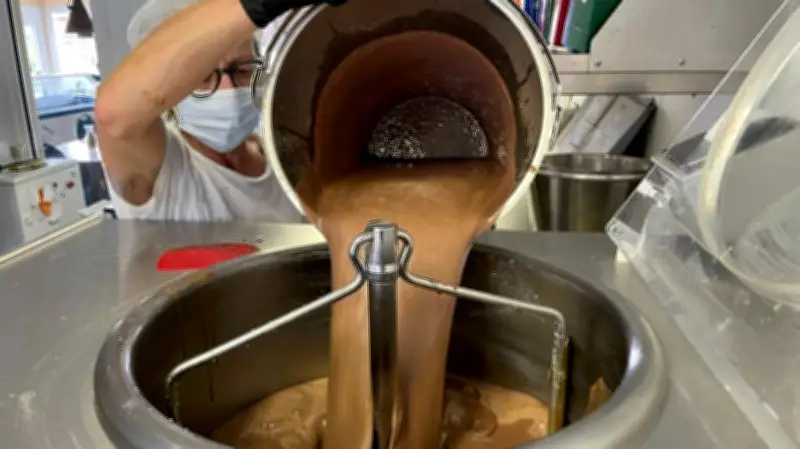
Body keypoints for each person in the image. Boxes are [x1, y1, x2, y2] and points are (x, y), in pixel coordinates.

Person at [95, 0, 344, 221]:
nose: (228, 89)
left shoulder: (281, 160)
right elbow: (113, 117)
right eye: (202, 77)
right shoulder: (161, 169)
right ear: (168, 92)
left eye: (242, 70)